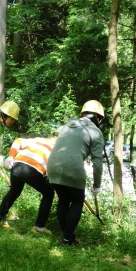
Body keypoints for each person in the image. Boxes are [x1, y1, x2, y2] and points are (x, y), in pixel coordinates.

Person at [47, 100, 105, 246]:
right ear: (98, 118)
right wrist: (97, 185)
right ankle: (66, 239)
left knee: (64, 200)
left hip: (52, 167)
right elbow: (97, 162)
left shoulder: (67, 125)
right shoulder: (95, 132)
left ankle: (67, 236)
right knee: (77, 201)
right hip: (72, 168)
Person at [0, 135, 56, 231]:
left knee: (14, 191)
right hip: (33, 169)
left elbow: (18, 140)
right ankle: (39, 227)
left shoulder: (38, 140)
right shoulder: (57, 147)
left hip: (17, 164)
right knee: (49, 194)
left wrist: (11, 156)